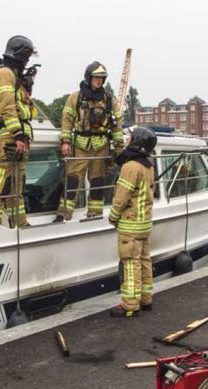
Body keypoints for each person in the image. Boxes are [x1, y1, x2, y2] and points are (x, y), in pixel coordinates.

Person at [55, 61, 124, 222]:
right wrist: (65, 141)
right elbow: (67, 120)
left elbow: (117, 125)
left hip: (101, 146)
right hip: (80, 145)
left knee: (98, 181)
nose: (99, 81)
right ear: (89, 78)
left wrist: (119, 146)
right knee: (72, 180)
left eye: (101, 78)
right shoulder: (76, 97)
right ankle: (63, 215)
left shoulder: (109, 100)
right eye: (96, 78)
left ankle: (95, 214)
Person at [0, 35, 36, 228]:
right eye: (27, 56)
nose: (28, 61)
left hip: (20, 134)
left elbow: (23, 107)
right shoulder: (5, 73)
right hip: (11, 135)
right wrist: (18, 134)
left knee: (17, 184)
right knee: (3, 178)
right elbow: (7, 106)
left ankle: (20, 223)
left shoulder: (14, 76)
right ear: (20, 53)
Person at [109, 127, 156, 317]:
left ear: (136, 142)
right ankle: (146, 299)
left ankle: (130, 305)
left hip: (130, 223)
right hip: (145, 223)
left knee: (129, 263)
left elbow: (122, 195)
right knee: (144, 261)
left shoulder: (130, 167)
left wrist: (113, 216)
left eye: (131, 137)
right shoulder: (148, 165)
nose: (127, 139)